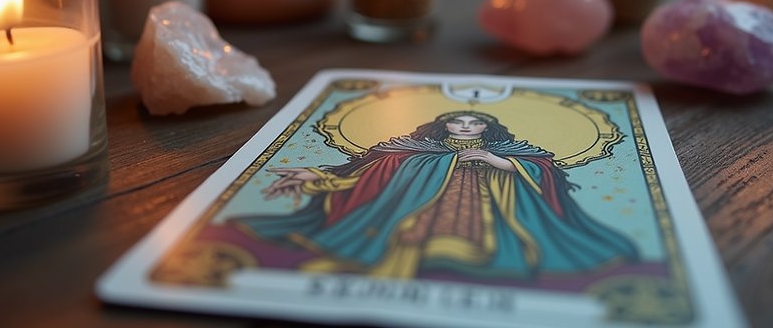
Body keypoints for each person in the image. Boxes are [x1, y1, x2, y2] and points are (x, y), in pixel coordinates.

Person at [228, 111, 639, 281]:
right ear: (443, 126)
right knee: (408, 236)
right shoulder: (413, 149)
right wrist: (316, 174)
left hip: (489, 209)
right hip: (413, 208)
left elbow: (544, 172)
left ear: (486, 129)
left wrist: (504, 165)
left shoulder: (515, 152)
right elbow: (363, 172)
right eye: (456, 121)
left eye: (472, 122)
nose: (463, 126)